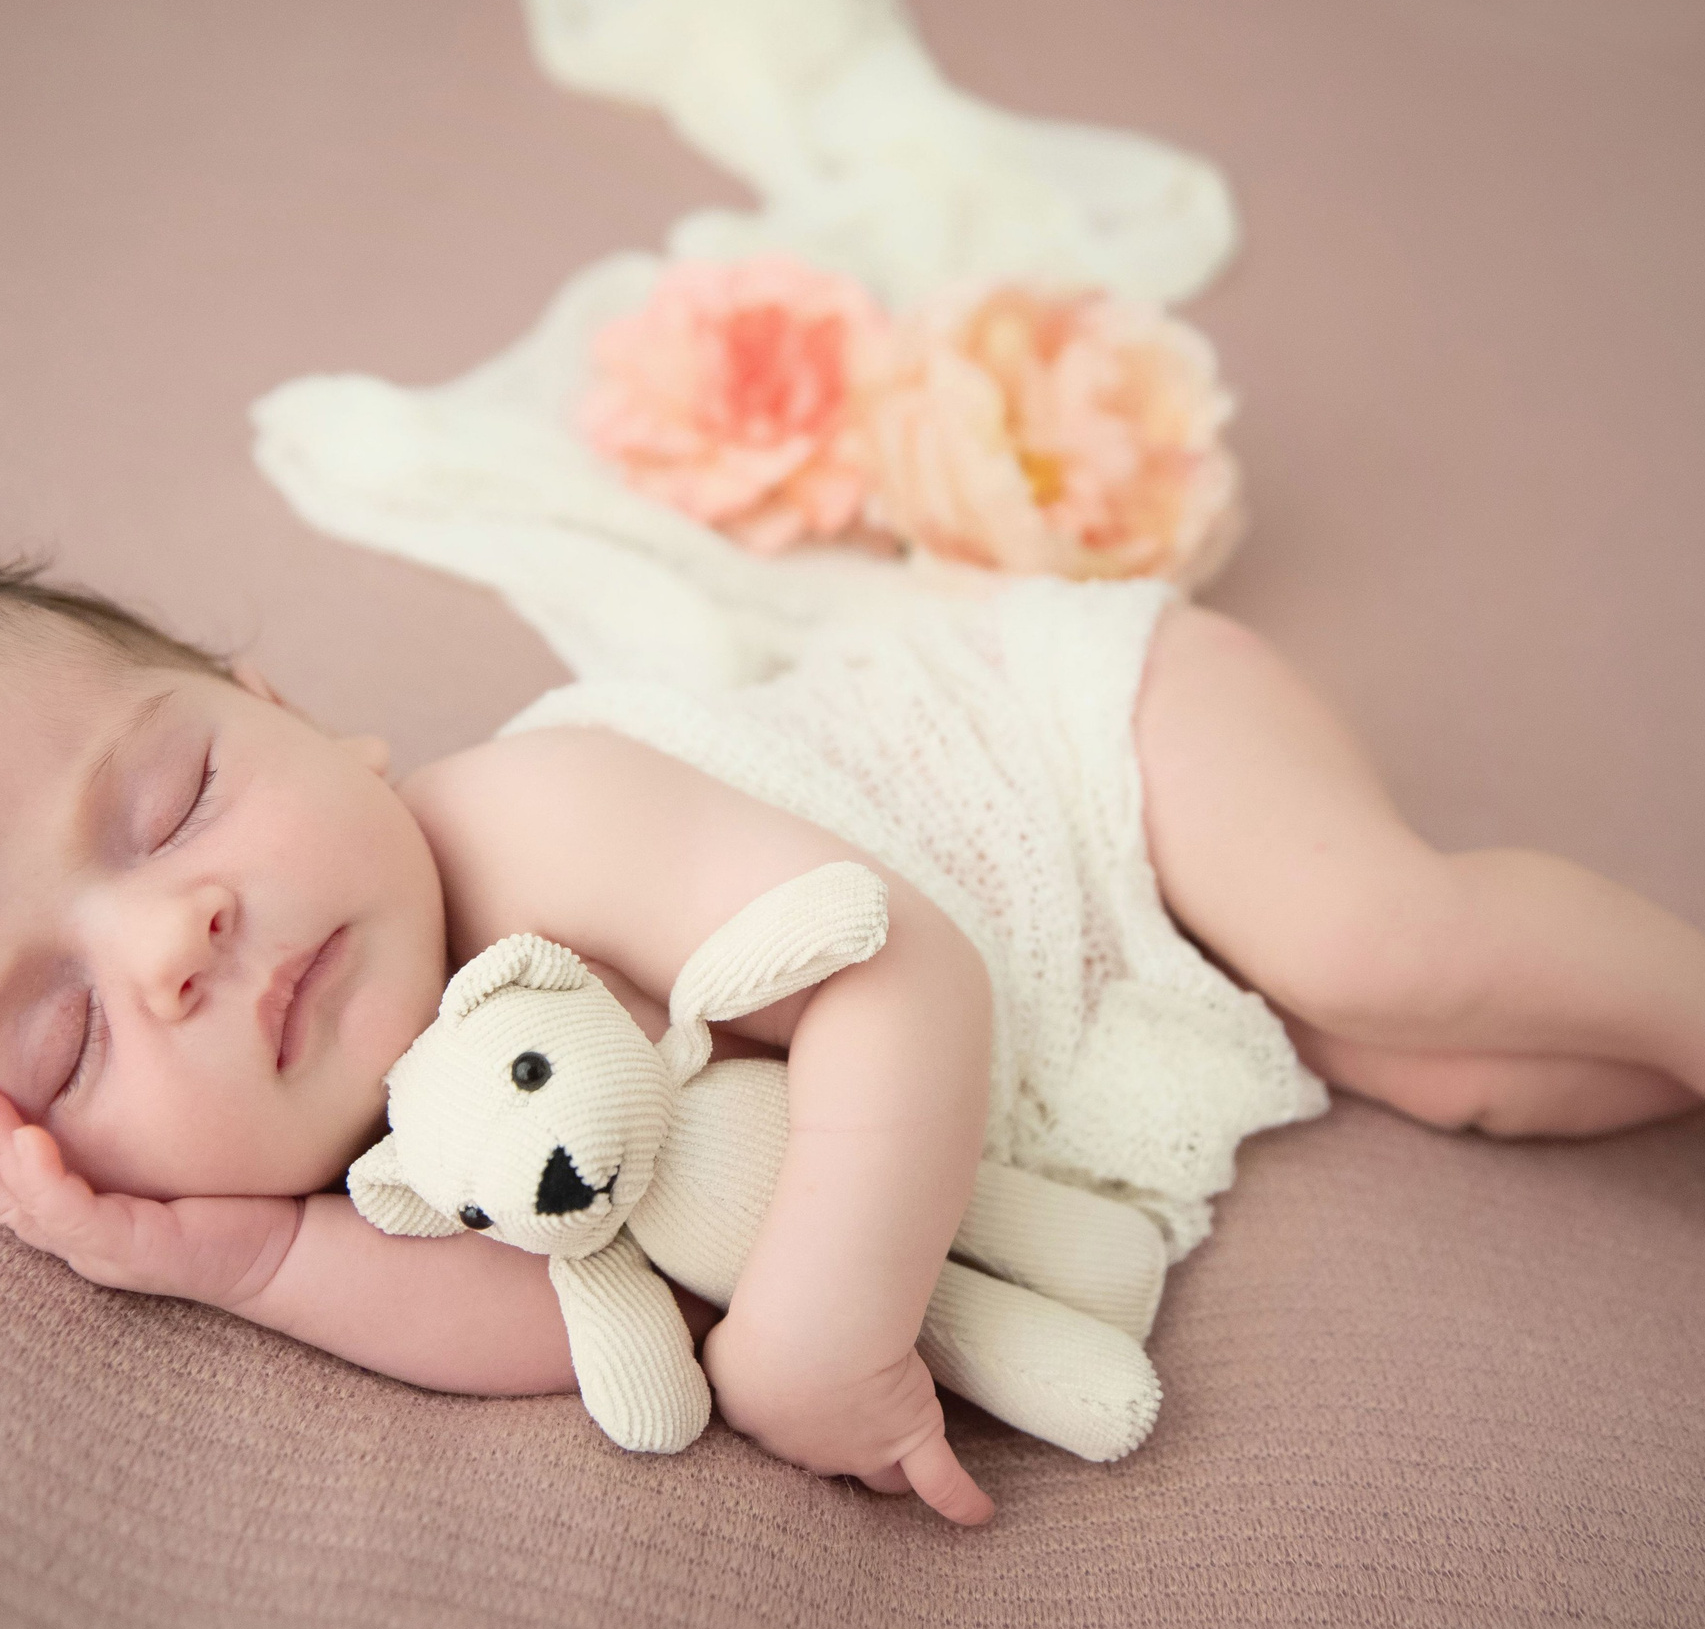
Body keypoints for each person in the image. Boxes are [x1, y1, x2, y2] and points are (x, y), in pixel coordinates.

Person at [0, 563, 1698, 1529]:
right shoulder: (386, 1172)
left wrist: (826, 1319)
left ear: (286, 715)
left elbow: (901, 971)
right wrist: (239, 1259)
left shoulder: (532, 819)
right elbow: (589, 1315)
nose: (173, 938)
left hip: (1061, 748)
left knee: (1380, 942)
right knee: (1457, 1068)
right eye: (68, 1038)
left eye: (175, 799)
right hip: (1093, 964)